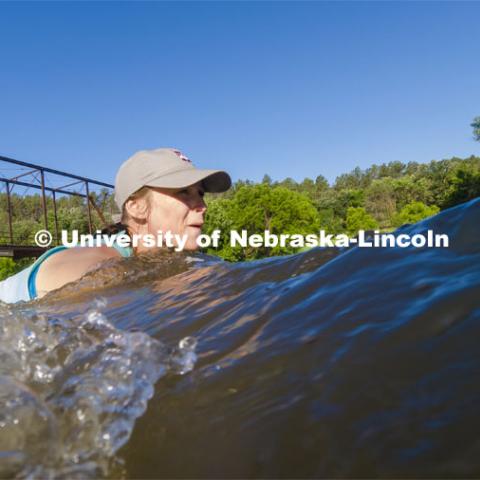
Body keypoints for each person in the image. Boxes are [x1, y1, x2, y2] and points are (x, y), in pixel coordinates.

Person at [0, 148, 231, 303]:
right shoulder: (98, 259)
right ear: (136, 207)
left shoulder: (152, 258)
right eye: (183, 191)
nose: (202, 205)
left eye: (200, 193)